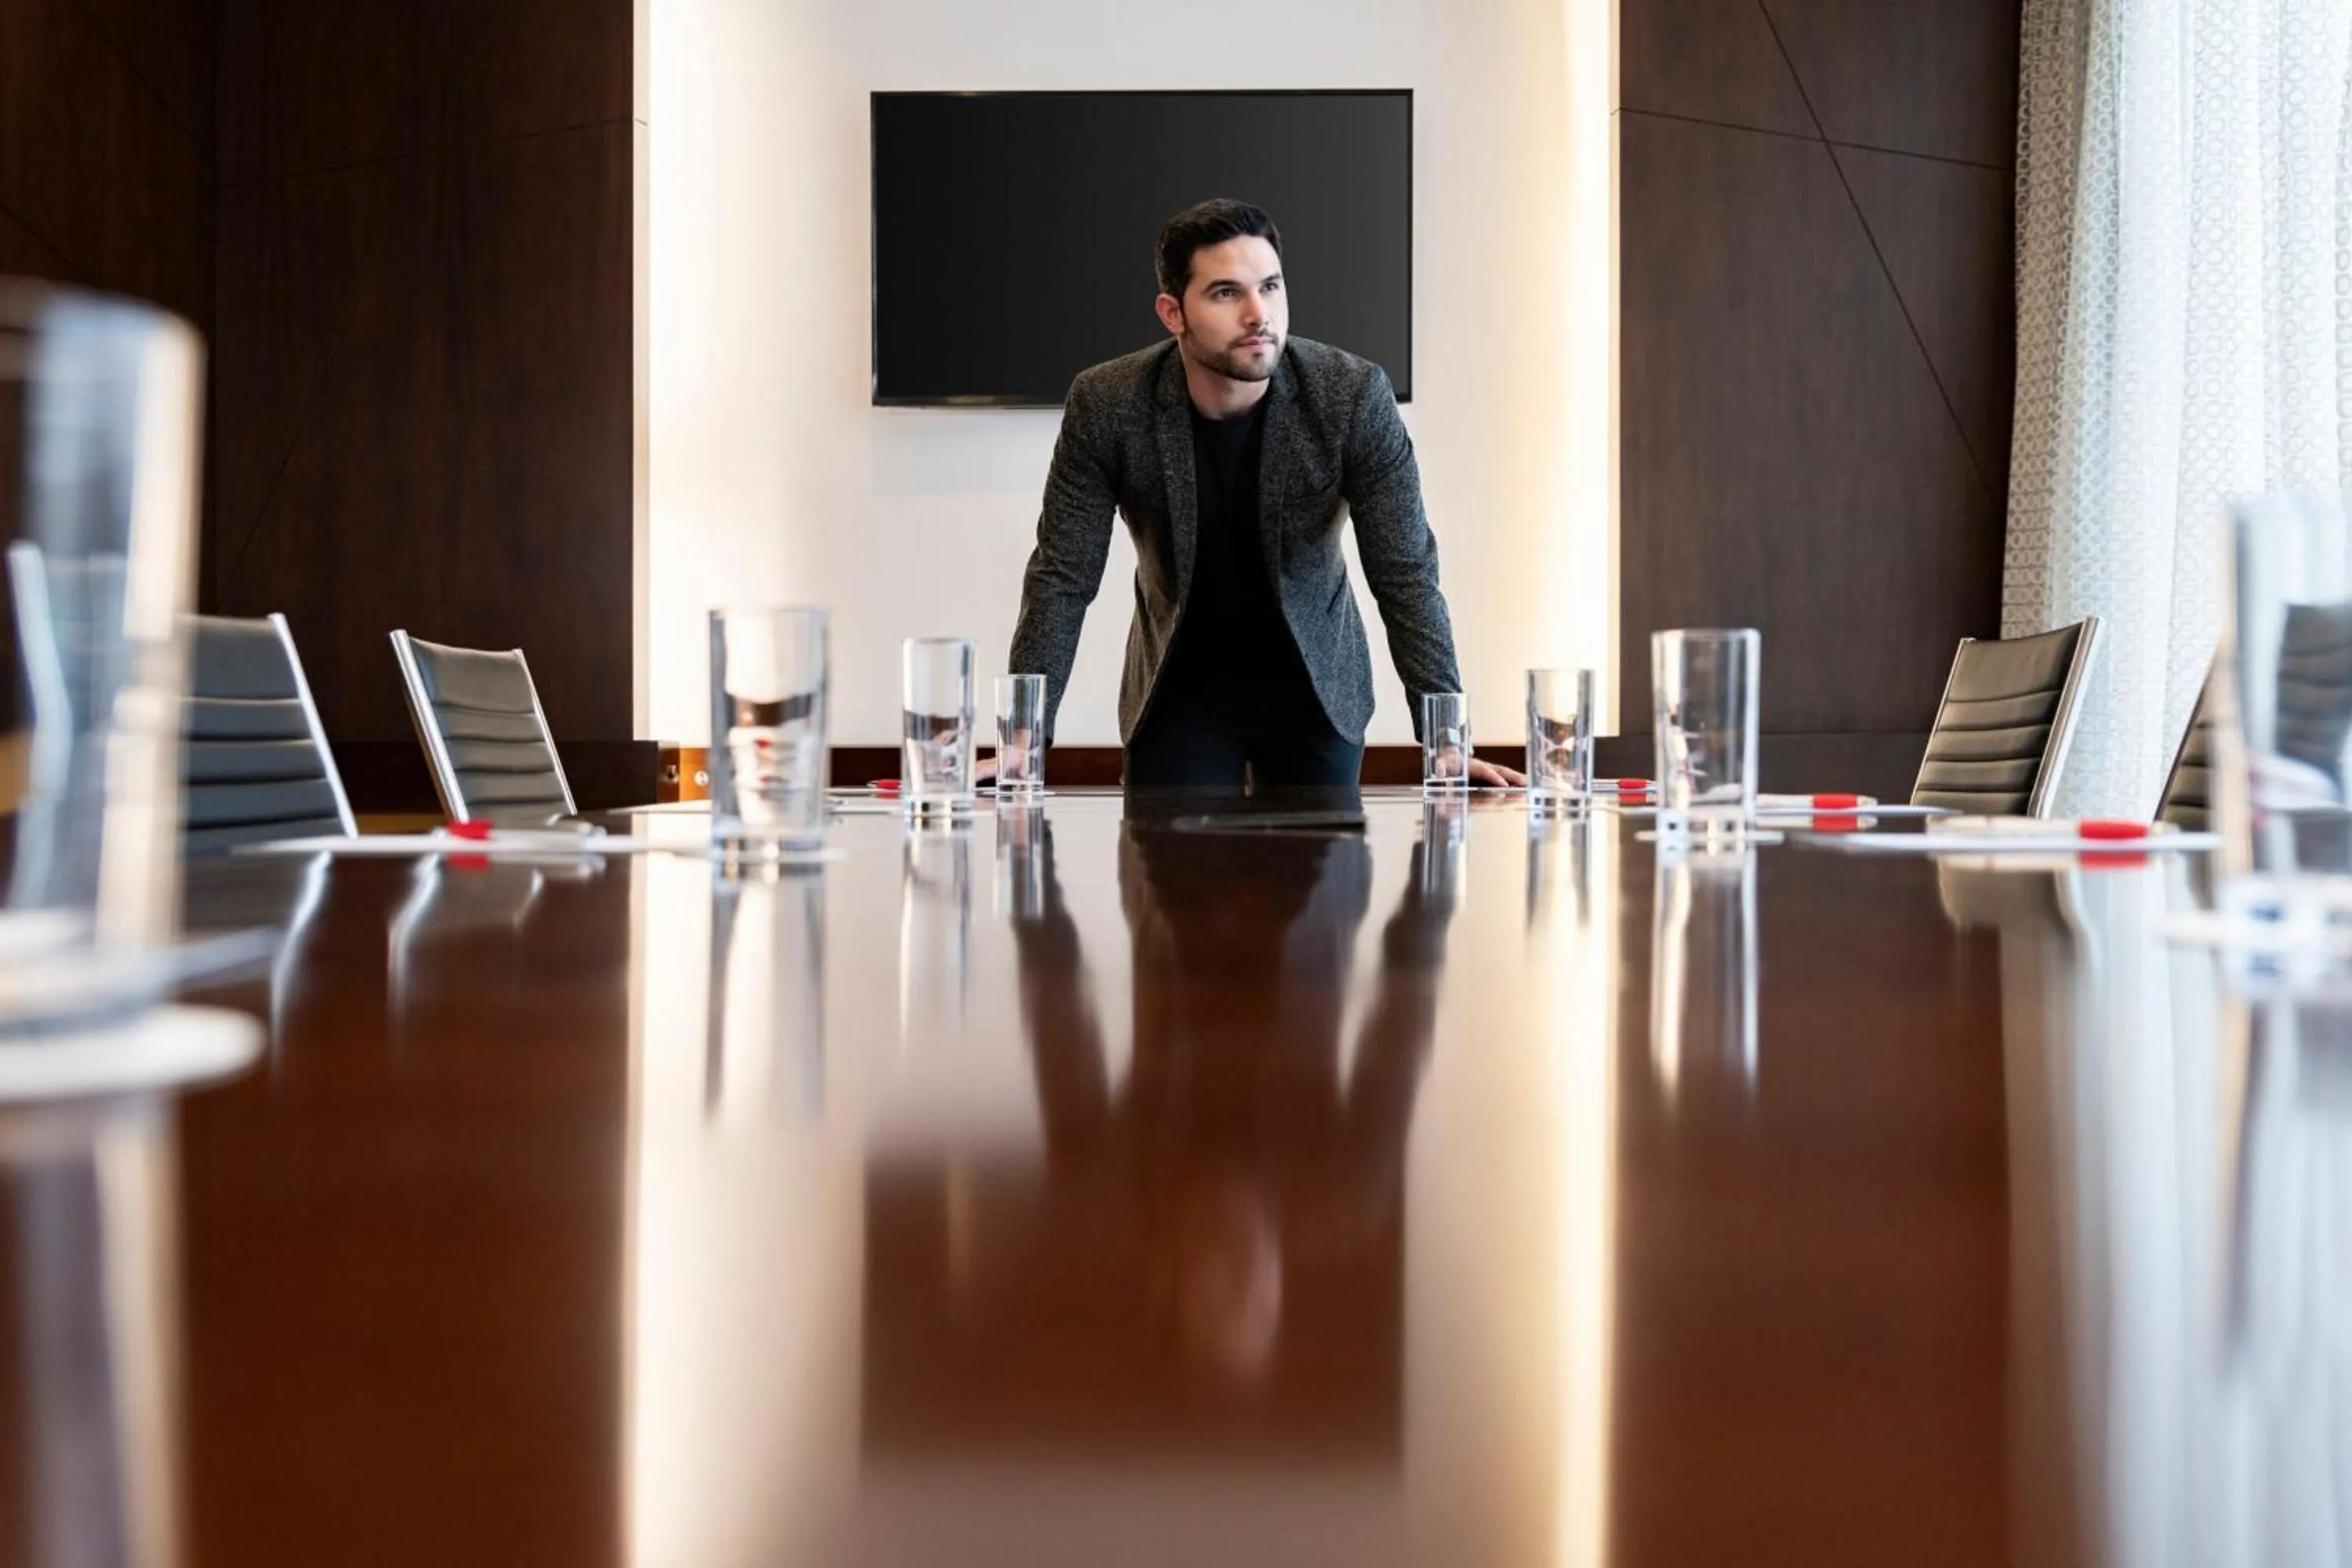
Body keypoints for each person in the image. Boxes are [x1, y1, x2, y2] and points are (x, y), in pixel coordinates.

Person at [1007, 198, 1526, 789]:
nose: (1259, 314)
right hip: (1179, 689)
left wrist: (1446, 741)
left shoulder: (1351, 396)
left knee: (1324, 852)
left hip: (1314, 687)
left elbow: (1404, 571)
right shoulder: (1108, 404)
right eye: (1226, 293)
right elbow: (1063, 574)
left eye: (1270, 287)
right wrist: (1023, 739)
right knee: (1165, 850)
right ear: (1173, 313)